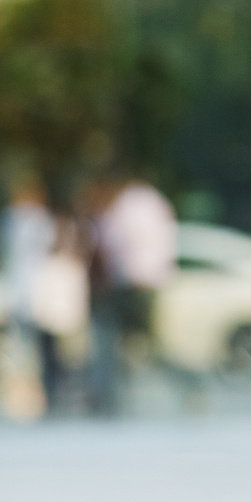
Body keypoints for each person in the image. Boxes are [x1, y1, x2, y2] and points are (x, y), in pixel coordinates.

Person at [86, 175, 178, 414]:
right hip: (146, 282)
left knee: (136, 343)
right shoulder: (155, 202)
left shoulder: (128, 205)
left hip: (132, 284)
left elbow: (112, 242)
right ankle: (108, 395)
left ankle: (108, 397)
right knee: (132, 343)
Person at [0, 175, 70, 416]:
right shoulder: (37, 221)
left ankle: (33, 395)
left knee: (28, 347)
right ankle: (40, 394)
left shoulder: (11, 221)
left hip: (27, 293)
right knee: (39, 348)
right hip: (34, 294)